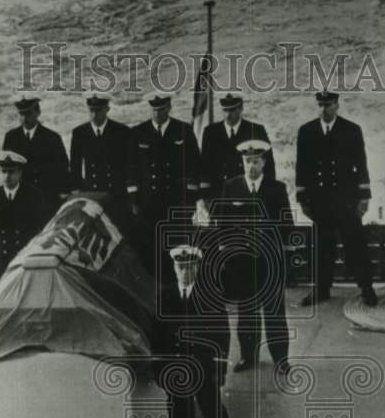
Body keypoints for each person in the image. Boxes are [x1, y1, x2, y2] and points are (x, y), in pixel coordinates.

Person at [155, 245, 236, 418]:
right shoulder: (166, 296)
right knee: (179, 412)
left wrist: (219, 371)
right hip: (177, 369)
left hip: (204, 368)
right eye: (180, 267)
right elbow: (158, 336)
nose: (184, 271)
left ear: (197, 267)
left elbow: (222, 335)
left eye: (189, 266)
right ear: (174, 267)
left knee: (213, 413)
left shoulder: (210, 297)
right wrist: (160, 369)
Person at [295, 92, 378, 307]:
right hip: (320, 201)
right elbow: (301, 167)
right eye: (321, 105)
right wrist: (303, 199)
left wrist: (364, 198)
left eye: (329, 104)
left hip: (346, 201)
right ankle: (321, 290)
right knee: (322, 247)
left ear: (337, 105)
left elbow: (361, 165)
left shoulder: (351, 130)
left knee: (355, 245)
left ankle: (366, 288)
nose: (324, 109)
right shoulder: (306, 131)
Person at [220, 140, 293, 377]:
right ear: (242, 162)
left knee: (274, 312)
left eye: (256, 161)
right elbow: (222, 225)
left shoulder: (277, 188)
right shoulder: (231, 187)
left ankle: (281, 359)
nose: (251, 166)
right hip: (242, 263)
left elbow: (287, 226)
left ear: (264, 162)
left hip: (268, 261)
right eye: (247, 161)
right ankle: (247, 356)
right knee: (247, 311)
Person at [126, 95, 201, 280]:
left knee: (176, 247)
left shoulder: (183, 130)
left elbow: (194, 166)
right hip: (148, 203)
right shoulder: (138, 132)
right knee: (150, 248)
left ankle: (176, 287)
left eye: (161, 109)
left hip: (176, 201)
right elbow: (131, 169)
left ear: (169, 108)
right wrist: (134, 201)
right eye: (154, 109)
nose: (157, 113)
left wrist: (190, 202)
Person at [0, 150, 50, 281]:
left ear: (20, 173)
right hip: (2, 261)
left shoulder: (33, 196)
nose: (7, 176)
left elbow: (41, 229)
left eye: (11, 172)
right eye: (4, 171)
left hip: (25, 259)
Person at [200, 93, 275, 198]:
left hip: (248, 197)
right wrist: (207, 198)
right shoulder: (211, 132)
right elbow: (205, 167)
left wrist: (266, 194)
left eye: (232, 110)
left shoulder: (255, 130)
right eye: (225, 110)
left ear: (241, 109)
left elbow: (268, 166)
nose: (228, 115)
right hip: (219, 196)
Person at [2, 96, 69, 209]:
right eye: (21, 114)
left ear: (38, 112)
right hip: (21, 197)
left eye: (28, 113)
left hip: (46, 197)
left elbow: (63, 168)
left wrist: (61, 192)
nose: (24, 118)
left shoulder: (52, 138)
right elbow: (6, 169)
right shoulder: (11, 137)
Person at [69, 95, 131, 204]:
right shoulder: (79, 133)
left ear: (107, 109)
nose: (94, 114)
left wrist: (131, 193)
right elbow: (75, 165)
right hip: (91, 192)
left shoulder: (122, 132)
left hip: (116, 192)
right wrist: (77, 191)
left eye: (98, 110)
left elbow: (130, 163)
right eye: (91, 110)